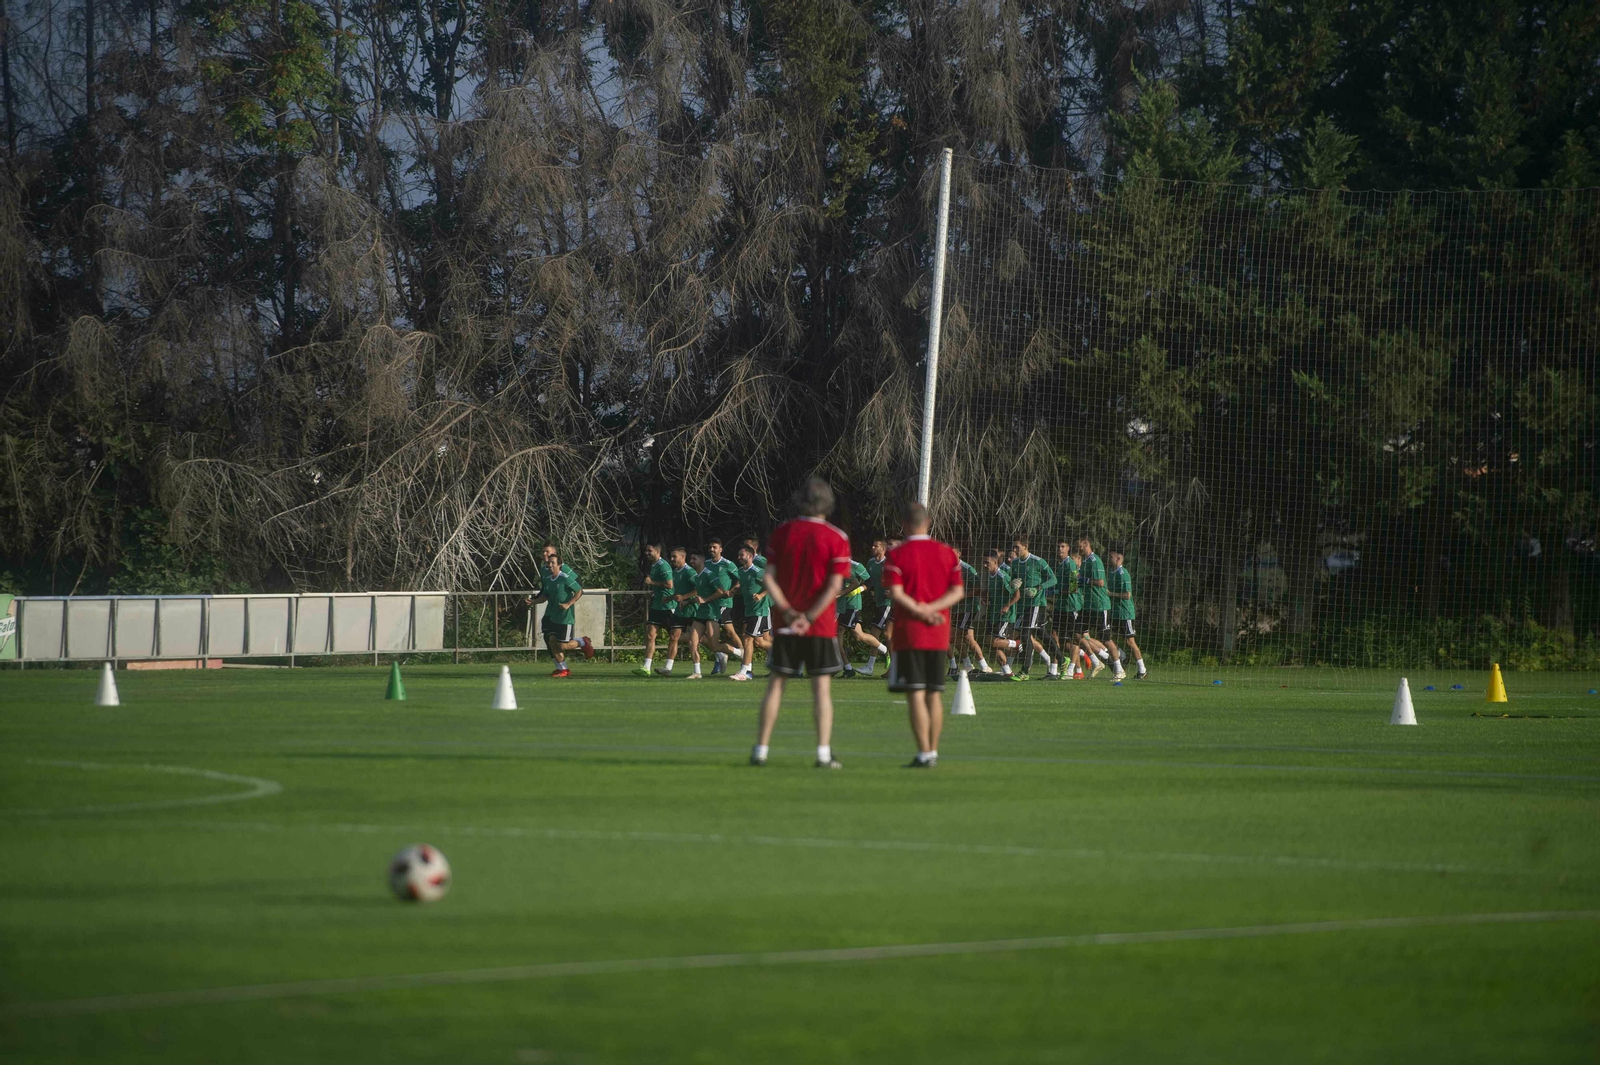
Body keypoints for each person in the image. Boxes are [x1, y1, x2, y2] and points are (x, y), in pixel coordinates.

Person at [750, 477, 852, 769]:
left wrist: (789, 612)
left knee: (776, 686)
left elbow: (768, 577)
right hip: (819, 627)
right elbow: (834, 585)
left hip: (785, 624)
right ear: (828, 504)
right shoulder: (837, 538)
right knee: (821, 690)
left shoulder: (783, 532)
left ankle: (761, 750)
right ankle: (822, 753)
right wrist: (808, 617)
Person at [884, 503, 965, 768]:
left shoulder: (896, 555)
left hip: (910, 633)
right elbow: (957, 592)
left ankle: (923, 754)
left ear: (904, 524)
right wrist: (932, 610)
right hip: (938, 632)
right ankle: (934, 752)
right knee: (934, 694)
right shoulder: (947, 553)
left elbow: (896, 594)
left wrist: (920, 610)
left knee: (916, 694)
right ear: (928, 522)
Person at [530, 550, 593, 677]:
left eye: (553, 563)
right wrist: (533, 601)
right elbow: (545, 596)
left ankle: (583, 642)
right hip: (553, 616)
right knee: (551, 640)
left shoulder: (565, 578)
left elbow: (579, 591)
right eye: (549, 563)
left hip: (565, 618)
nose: (550, 565)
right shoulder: (548, 579)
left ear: (560, 565)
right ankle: (563, 669)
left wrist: (568, 604)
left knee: (563, 645)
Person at [1008, 537, 1056, 677]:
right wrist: (1013, 584)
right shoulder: (1015, 563)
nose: (1015, 550)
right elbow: (1014, 580)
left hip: (1037, 603)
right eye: (1014, 547)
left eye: (1017, 547)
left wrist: (1039, 587)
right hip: (1023, 604)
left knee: (1025, 633)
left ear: (1025, 546)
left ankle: (1025, 670)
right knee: (1042, 634)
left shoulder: (1037, 561)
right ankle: (1061, 658)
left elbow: (1053, 579)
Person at [838, 557, 889, 677]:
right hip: (839, 605)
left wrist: (857, 590)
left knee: (858, 635)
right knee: (839, 634)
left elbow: (869, 582)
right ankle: (847, 668)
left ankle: (884, 650)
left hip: (852, 605)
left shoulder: (856, 565)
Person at [729, 544, 772, 680]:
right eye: (739, 555)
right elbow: (745, 587)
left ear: (750, 556)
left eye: (742, 555)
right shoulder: (741, 571)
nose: (739, 558)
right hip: (749, 611)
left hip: (759, 611)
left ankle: (745, 671)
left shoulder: (758, 571)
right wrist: (736, 591)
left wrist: (761, 595)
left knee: (747, 639)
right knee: (759, 642)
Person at [1105, 548, 1147, 679]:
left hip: (1125, 613)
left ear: (1118, 558)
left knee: (1130, 641)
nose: (1109, 558)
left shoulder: (1123, 574)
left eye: (1111, 556)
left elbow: (1127, 595)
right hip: (1115, 613)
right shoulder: (1111, 573)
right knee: (1106, 637)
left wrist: (1111, 594)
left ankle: (1142, 669)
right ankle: (1122, 655)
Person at [1077, 536, 1115, 675]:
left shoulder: (1094, 560)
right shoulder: (1085, 561)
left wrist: (1083, 580)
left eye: (1080, 545)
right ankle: (1095, 661)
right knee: (1076, 634)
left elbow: (1100, 582)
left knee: (1106, 639)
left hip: (1100, 605)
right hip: (1088, 606)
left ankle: (1118, 667)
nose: (1078, 548)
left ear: (1086, 544)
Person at [637, 543, 676, 677]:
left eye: (649, 550)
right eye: (646, 550)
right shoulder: (653, 566)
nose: (647, 553)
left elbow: (669, 585)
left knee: (679, 637)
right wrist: (653, 593)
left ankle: (718, 652)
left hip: (668, 607)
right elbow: (661, 587)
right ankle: (646, 667)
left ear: (657, 551)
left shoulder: (663, 565)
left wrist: (652, 583)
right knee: (650, 635)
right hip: (657, 606)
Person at [949, 546, 989, 676]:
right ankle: (984, 666)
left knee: (953, 635)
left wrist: (962, 596)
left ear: (959, 553)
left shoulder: (967, 569)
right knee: (969, 639)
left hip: (968, 608)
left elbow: (978, 589)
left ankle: (967, 664)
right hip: (956, 609)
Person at [655, 546, 695, 676]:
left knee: (701, 639)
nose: (671, 559)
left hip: (693, 609)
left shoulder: (690, 572)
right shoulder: (675, 572)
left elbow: (700, 588)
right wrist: (671, 598)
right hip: (680, 610)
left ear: (683, 557)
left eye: (674, 557)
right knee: (673, 636)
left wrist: (685, 597)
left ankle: (722, 653)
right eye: (671, 556)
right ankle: (668, 668)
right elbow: (678, 592)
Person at [980, 550, 1020, 677]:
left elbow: (1017, 594)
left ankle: (1017, 643)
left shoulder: (1002, 577)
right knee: (989, 642)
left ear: (995, 562)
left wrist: (1007, 606)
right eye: (984, 563)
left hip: (1005, 616)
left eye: (987, 563)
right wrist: (985, 596)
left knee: (995, 642)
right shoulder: (991, 576)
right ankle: (1007, 672)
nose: (985, 566)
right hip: (994, 615)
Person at [703, 539, 741, 674]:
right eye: (710, 547)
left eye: (714, 547)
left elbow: (740, 578)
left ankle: (743, 657)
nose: (712, 549)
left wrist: (732, 591)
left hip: (723, 603)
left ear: (721, 549)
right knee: (707, 633)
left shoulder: (727, 564)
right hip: (709, 603)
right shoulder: (706, 564)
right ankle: (721, 656)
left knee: (725, 632)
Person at [860, 538, 891, 676]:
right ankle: (890, 659)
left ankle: (870, 666)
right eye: (872, 545)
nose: (872, 547)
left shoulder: (889, 564)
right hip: (878, 602)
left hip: (888, 603)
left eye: (876, 546)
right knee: (886, 634)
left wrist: (892, 591)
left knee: (875, 631)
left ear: (883, 549)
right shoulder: (871, 563)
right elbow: (869, 580)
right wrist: (869, 590)